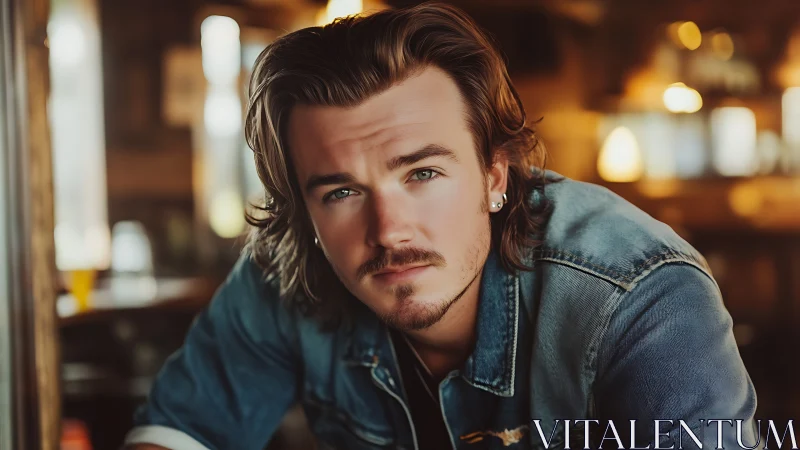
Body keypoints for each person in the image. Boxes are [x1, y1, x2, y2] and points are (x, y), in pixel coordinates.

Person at [124, 3, 759, 450]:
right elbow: (180, 433)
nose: (388, 228)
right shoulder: (285, 271)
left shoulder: (638, 294)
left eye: (422, 173)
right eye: (342, 191)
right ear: (304, 212)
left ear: (494, 174)